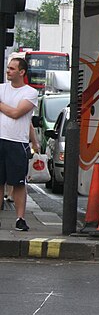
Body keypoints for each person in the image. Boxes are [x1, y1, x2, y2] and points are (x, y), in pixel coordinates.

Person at [0, 58, 39, 231]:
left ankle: (20, 219)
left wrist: (34, 142)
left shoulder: (30, 92)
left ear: (21, 72)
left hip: (17, 142)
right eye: (8, 68)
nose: (8, 71)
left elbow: (17, 114)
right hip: (1, 139)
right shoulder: (1, 88)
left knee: (18, 182)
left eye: (12, 68)